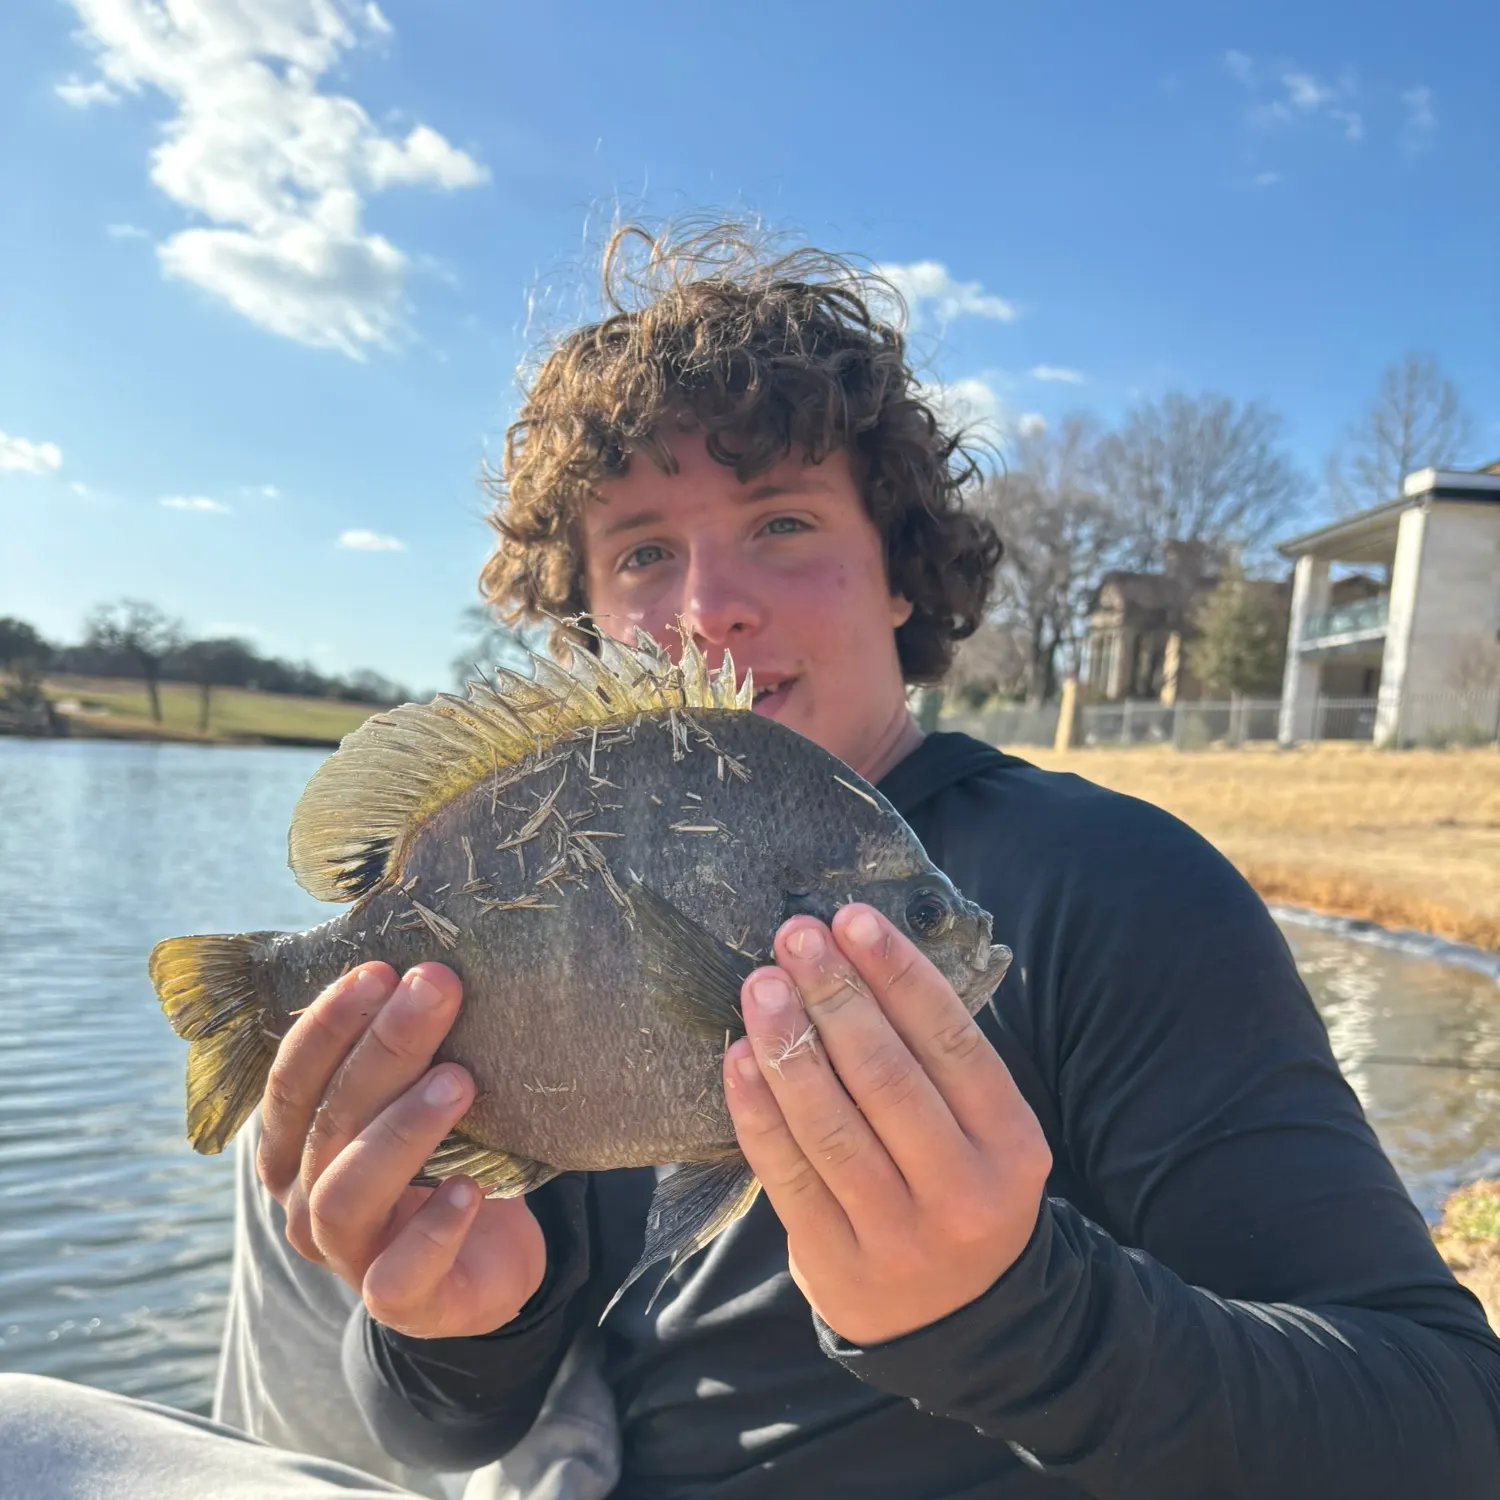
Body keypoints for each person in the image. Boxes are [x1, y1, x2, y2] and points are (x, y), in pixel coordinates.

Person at [7, 219, 1500, 1499]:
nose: (710, 603)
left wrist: (1020, 1311)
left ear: (902, 569)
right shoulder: (559, 854)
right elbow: (446, 1419)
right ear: (587, 615)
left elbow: (1448, 1422)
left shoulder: (1114, 884)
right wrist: (459, 1328)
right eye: (643, 550)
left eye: (781, 521)